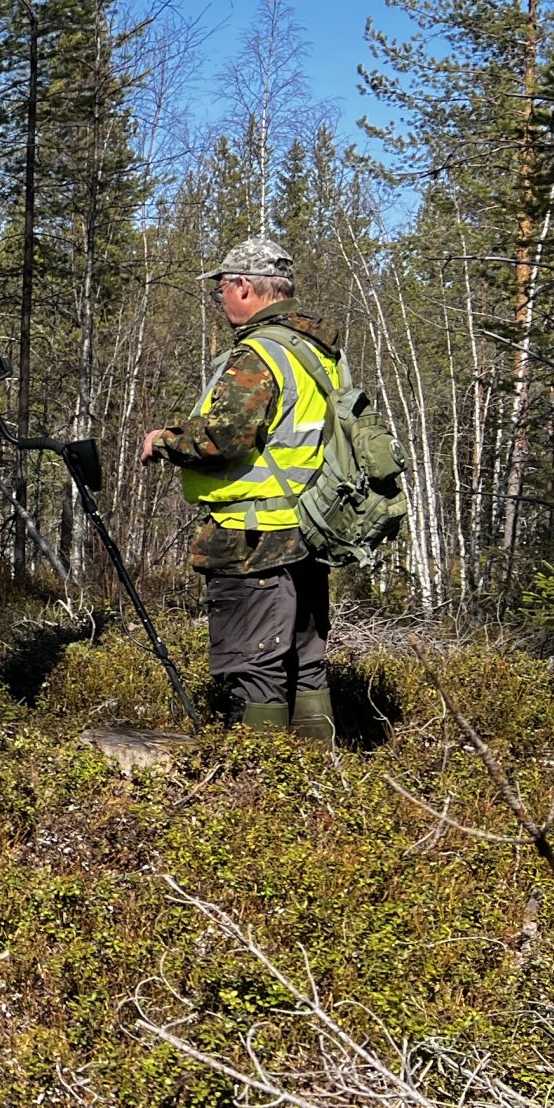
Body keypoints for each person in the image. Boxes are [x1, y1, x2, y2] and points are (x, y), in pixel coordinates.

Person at [140, 237, 342, 741]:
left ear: (245, 287)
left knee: (254, 665)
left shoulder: (259, 354)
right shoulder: (316, 350)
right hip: (310, 528)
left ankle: (257, 791)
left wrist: (164, 441)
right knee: (305, 659)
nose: (221, 300)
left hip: (254, 534)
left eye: (222, 289)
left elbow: (223, 437)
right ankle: (318, 782)